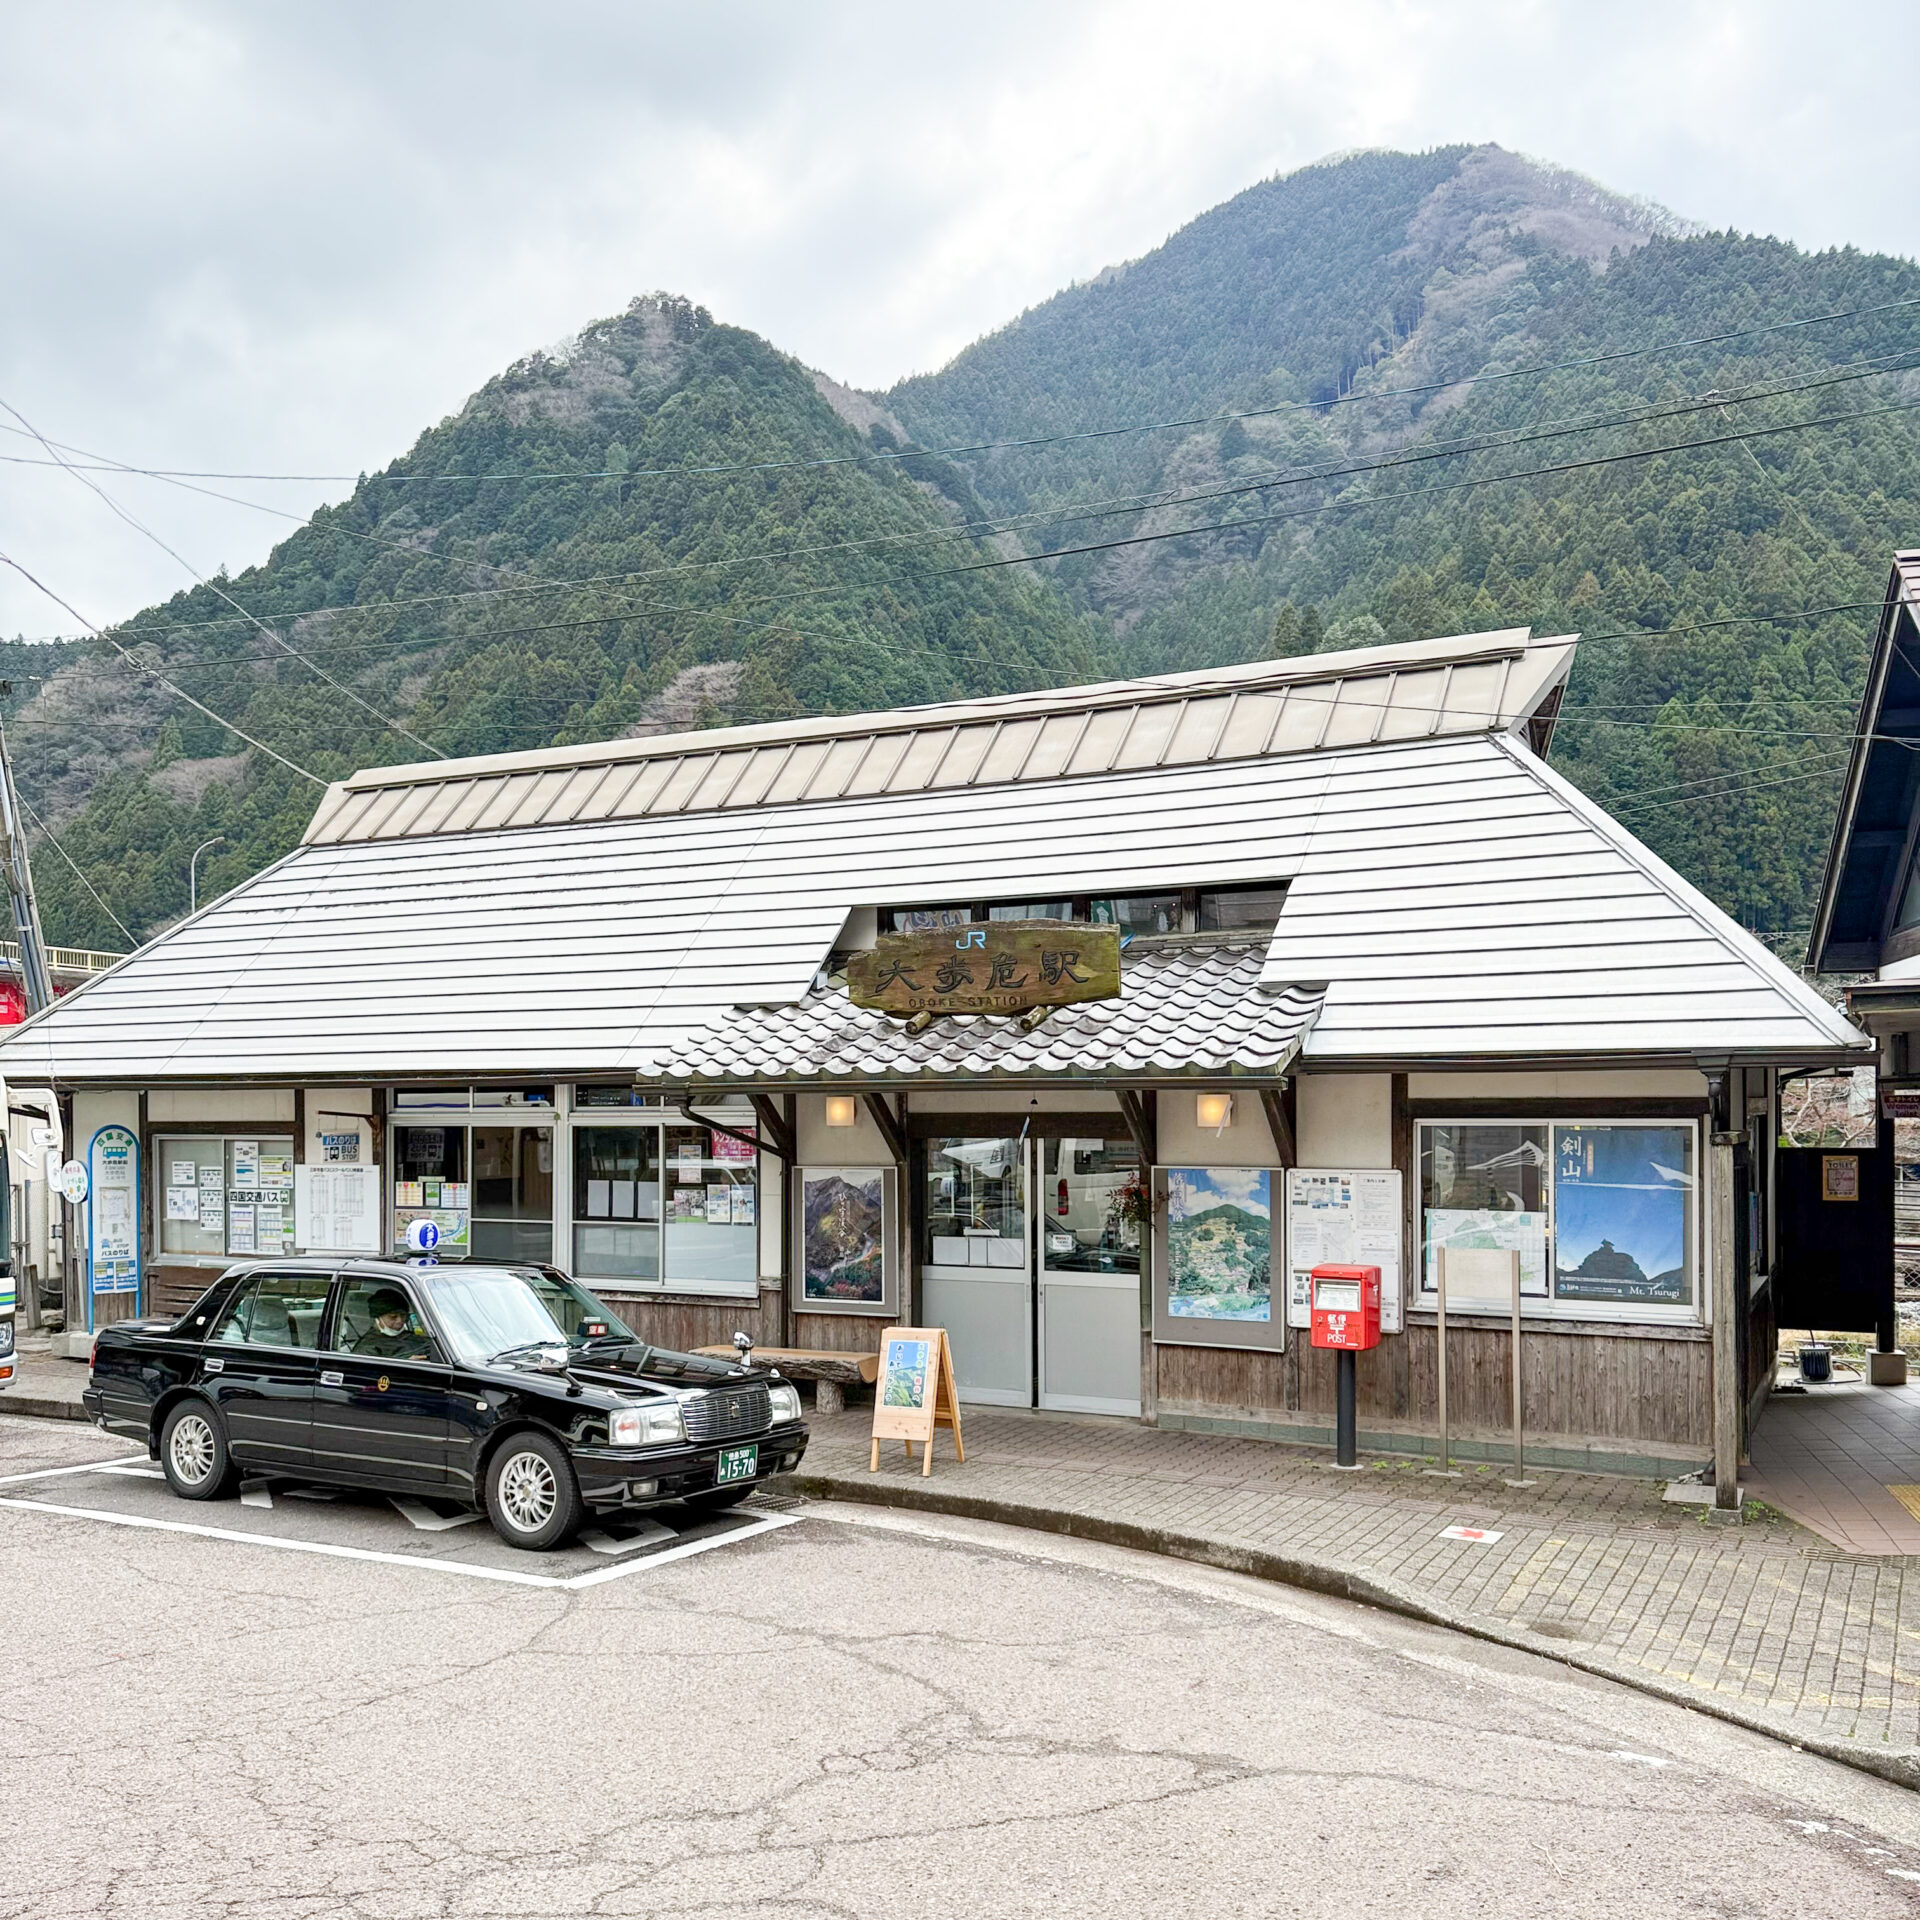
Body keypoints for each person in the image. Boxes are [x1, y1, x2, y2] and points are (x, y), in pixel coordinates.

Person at [353, 1286, 430, 1359]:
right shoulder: (367, 1348)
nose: (400, 1321)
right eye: (393, 1317)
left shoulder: (410, 1337)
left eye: (403, 1315)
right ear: (378, 1318)